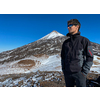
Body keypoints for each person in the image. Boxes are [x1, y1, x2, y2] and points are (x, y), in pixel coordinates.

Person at [61, 19, 93, 87]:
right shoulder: (65, 43)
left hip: (80, 73)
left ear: (77, 26)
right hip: (67, 74)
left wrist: (84, 72)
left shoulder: (84, 41)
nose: (68, 27)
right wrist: (64, 70)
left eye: (70, 25)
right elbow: (63, 57)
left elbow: (90, 57)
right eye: (68, 25)